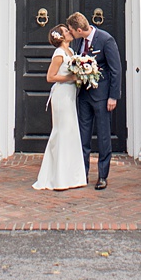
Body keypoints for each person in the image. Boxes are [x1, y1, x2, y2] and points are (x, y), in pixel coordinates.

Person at [67, 11, 122, 190]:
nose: (71, 34)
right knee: (83, 135)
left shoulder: (106, 40)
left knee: (104, 135)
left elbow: (116, 70)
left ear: (78, 29)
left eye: (71, 31)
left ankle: (102, 176)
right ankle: (82, 173)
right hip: (84, 96)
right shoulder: (78, 41)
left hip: (102, 96)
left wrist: (113, 96)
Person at [32, 25, 86, 191]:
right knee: (62, 132)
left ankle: (72, 177)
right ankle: (59, 179)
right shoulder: (59, 54)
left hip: (70, 95)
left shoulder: (71, 52)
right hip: (61, 96)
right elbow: (50, 77)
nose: (70, 32)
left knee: (71, 133)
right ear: (61, 37)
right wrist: (71, 77)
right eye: (66, 31)